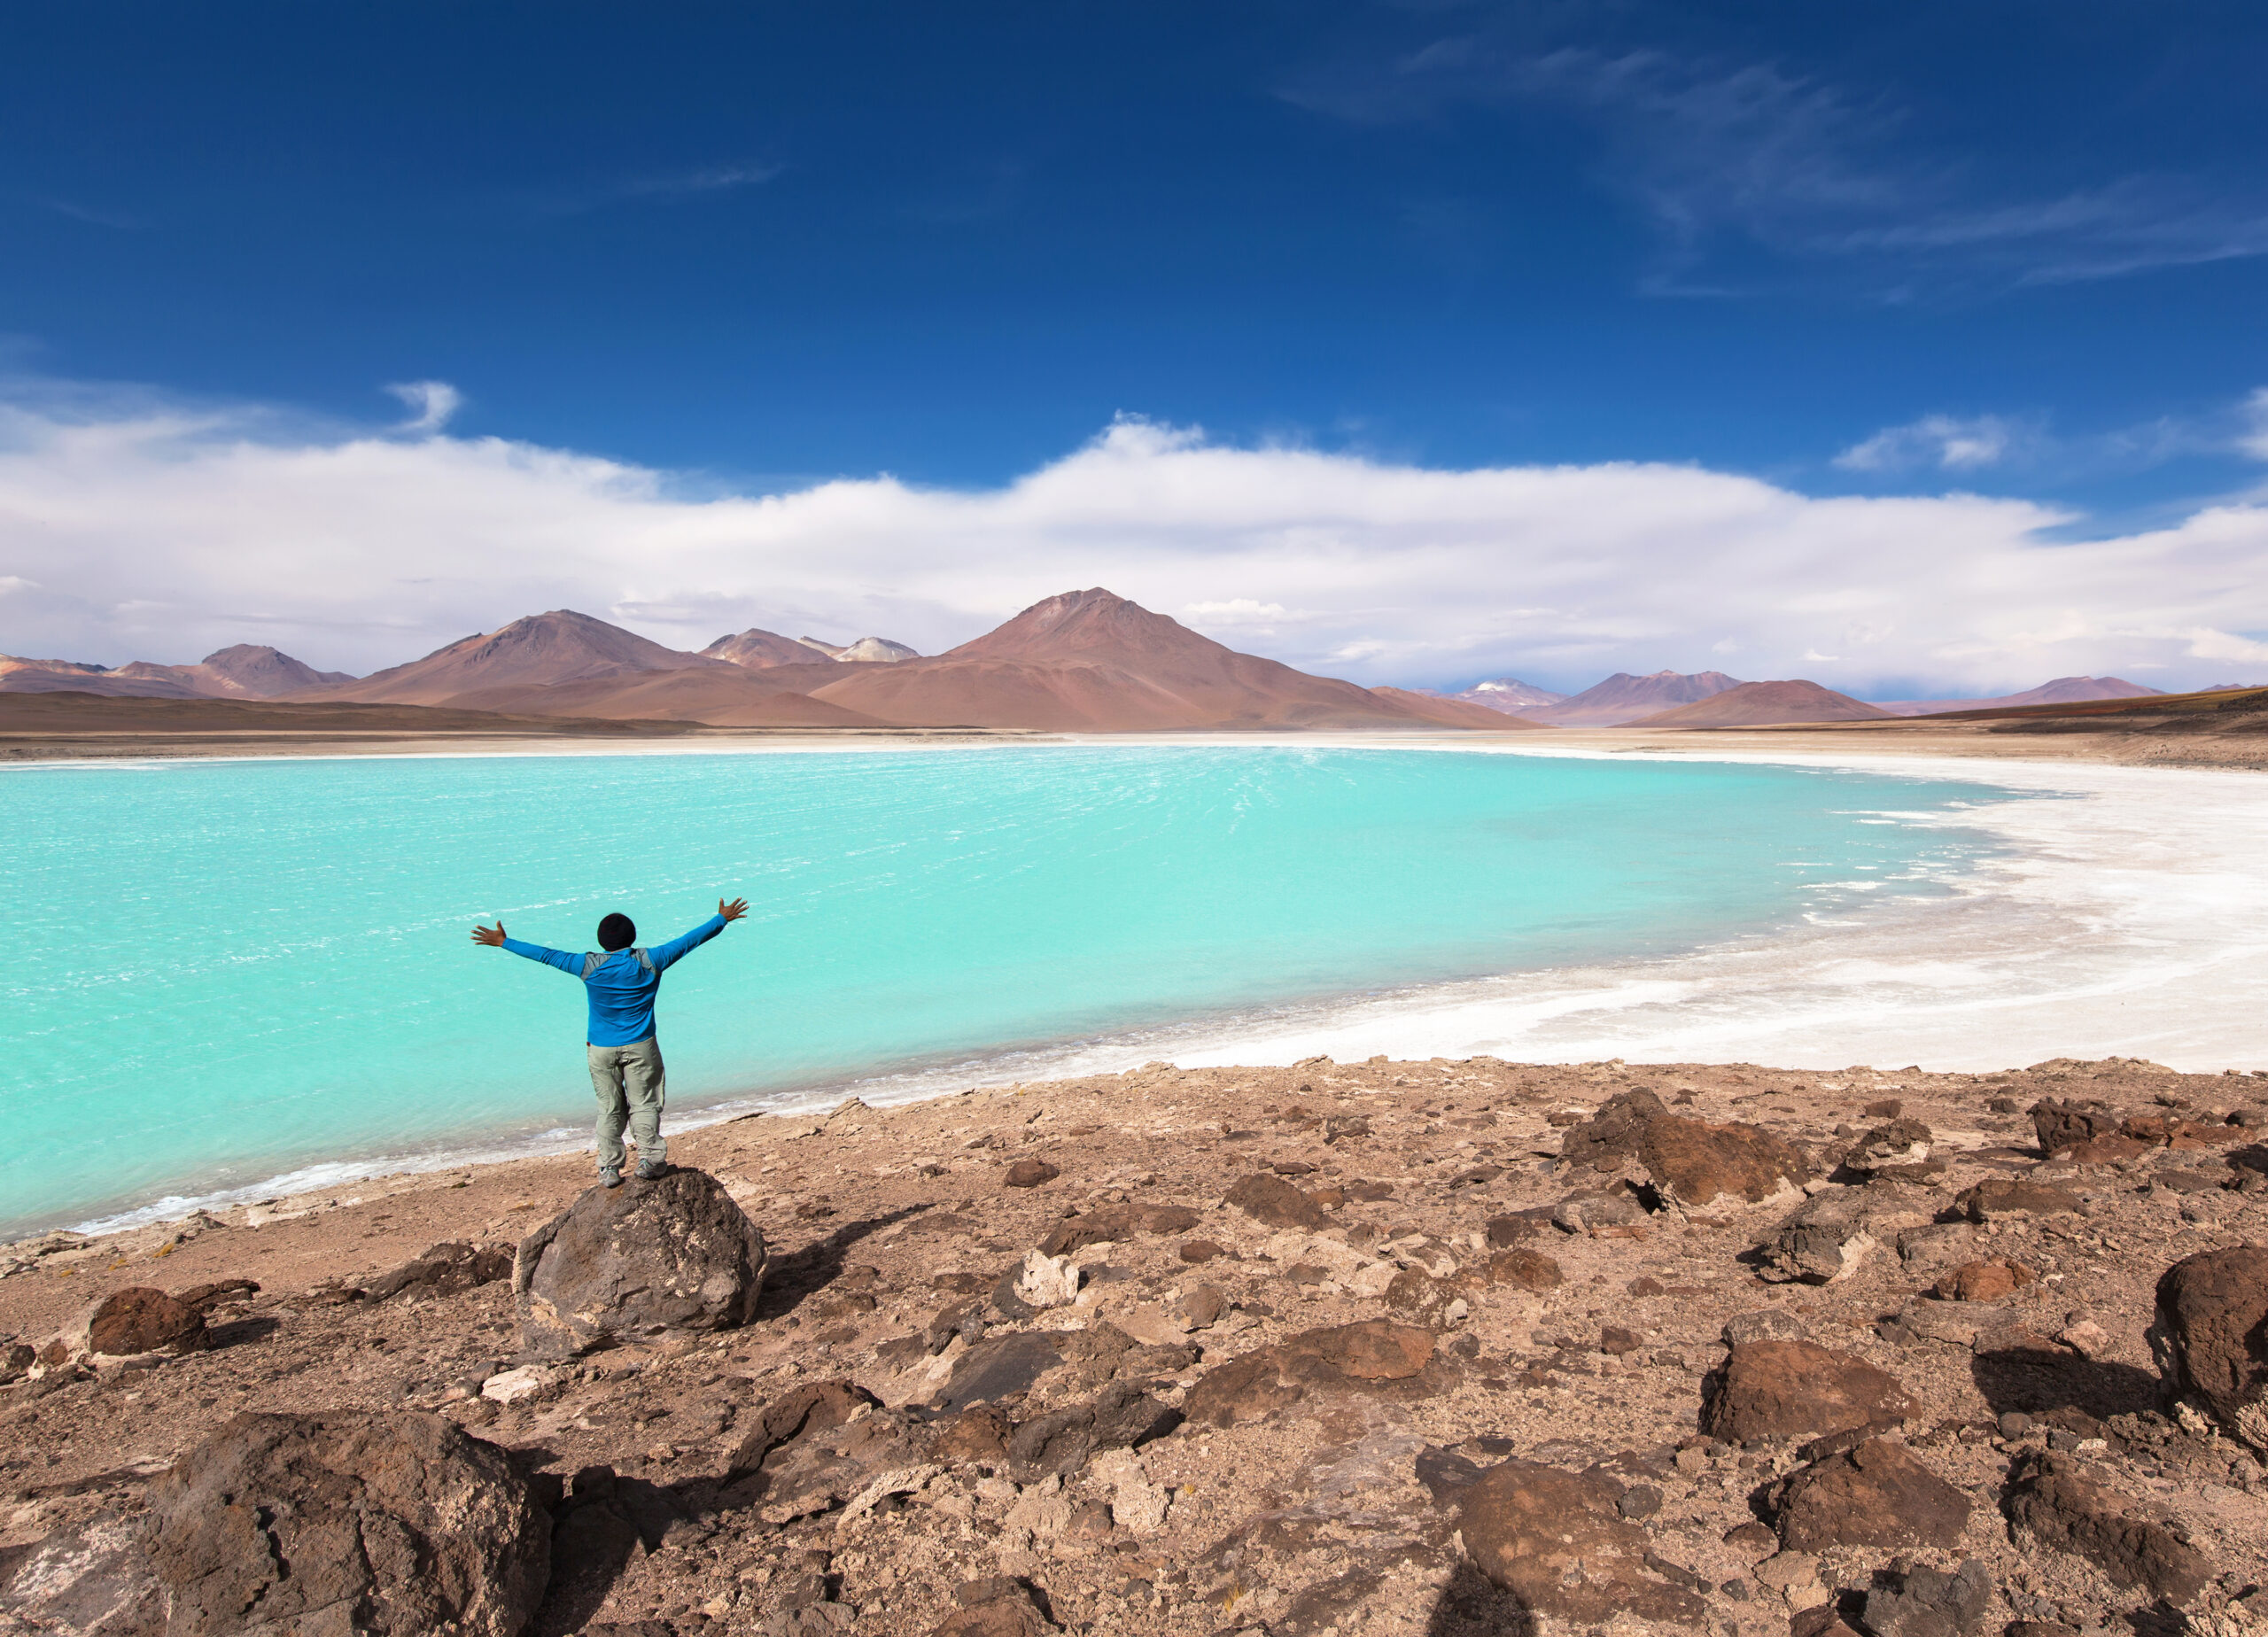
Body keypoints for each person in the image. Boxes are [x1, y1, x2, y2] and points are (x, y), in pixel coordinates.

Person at [471, 897, 748, 1186]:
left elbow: (546, 955)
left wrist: (504, 942)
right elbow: (689, 941)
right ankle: (650, 1160)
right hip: (641, 1045)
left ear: (601, 941)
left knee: (609, 1108)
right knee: (644, 1104)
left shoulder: (587, 965)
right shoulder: (651, 960)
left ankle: (609, 1168)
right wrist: (721, 919)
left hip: (600, 1050)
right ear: (633, 937)